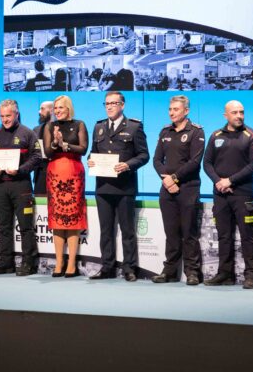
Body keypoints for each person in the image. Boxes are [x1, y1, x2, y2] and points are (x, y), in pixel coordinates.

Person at [87, 91, 149, 281]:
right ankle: (107, 267)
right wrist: (90, 160)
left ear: (122, 105)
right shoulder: (98, 127)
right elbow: (93, 152)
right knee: (105, 231)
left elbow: (144, 155)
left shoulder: (134, 127)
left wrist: (128, 165)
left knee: (127, 231)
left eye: (114, 103)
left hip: (125, 187)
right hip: (103, 187)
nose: (110, 106)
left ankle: (129, 269)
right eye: (107, 103)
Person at [202, 101, 253, 288]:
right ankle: (224, 274)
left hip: (243, 195)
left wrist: (230, 181)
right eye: (235, 112)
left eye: (242, 112)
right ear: (225, 115)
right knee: (223, 235)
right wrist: (218, 182)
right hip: (220, 194)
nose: (239, 116)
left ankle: (252, 275)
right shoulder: (216, 135)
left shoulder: (252, 136)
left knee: (248, 235)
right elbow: (207, 163)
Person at [151, 95, 205, 285]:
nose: (172, 112)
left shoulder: (196, 132)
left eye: (176, 109)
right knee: (171, 232)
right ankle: (170, 271)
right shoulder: (165, 131)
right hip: (167, 189)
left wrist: (174, 178)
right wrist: (166, 180)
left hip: (188, 189)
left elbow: (194, 162)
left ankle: (192, 272)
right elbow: (157, 160)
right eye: (170, 109)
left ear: (186, 111)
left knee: (189, 233)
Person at [0, 99, 42, 276]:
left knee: (26, 227)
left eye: (8, 116)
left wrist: (21, 169)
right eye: (2, 116)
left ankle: (28, 263)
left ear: (16, 113)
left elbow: (37, 157)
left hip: (21, 186)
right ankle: (6, 262)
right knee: (3, 227)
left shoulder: (28, 133)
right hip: (0, 186)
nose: (5, 119)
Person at [43, 95, 88, 278]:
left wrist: (65, 144)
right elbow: (47, 151)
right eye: (55, 108)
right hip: (55, 173)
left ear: (68, 109)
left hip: (74, 173)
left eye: (61, 108)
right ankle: (59, 262)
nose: (57, 111)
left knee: (72, 220)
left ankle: (71, 264)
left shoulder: (79, 124)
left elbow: (83, 149)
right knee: (57, 219)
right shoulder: (49, 126)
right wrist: (55, 143)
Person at [32, 101, 54, 196]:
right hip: (40, 173)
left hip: (56, 170)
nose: (39, 111)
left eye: (42, 109)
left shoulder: (61, 128)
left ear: (52, 110)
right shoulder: (36, 130)